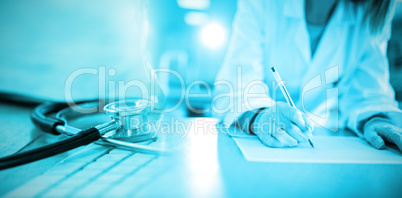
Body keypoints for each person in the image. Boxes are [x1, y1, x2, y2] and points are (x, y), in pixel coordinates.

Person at [214, 0, 402, 151]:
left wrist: (376, 118)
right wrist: (261, 116)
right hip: (257, 142)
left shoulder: (371, 14)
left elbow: (368, 91)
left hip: (323, 135)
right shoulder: (262, 4)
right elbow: (235, 87)